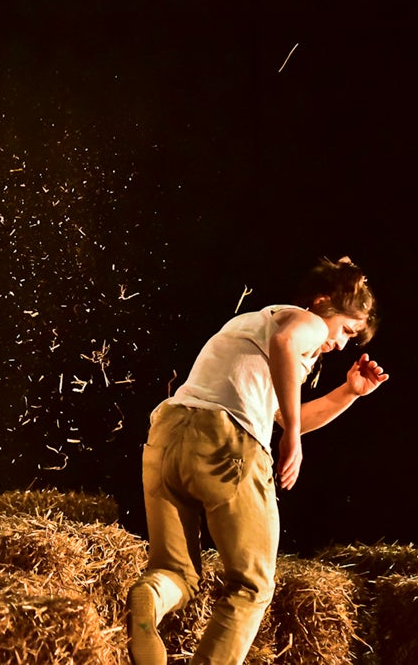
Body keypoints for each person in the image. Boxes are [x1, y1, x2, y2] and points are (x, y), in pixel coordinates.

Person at [128, 257, 389, 665]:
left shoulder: (248, 325)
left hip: (167, 434)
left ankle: (150, 597)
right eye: (346, 330)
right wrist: (292, 443)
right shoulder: (307, 322)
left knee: (177, 573)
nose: (339, 344)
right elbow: (286, 347)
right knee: (251, 586)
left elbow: (287, 416)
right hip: (226, 442)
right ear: (322, 302)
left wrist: (348, 393)